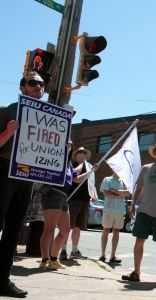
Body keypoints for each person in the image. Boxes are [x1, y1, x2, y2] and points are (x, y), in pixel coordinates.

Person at [0, 71, 46, 298]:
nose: (38, 87)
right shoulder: (8, 110)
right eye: (33, 83)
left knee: (13, 231)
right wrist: (8, 132)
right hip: (4, 171)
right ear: (22, 87)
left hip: (25, 177)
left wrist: (61, 148)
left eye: (41, 84)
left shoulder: (48, 118)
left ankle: (3, 279)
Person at [122, 141, 156, 286]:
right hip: (144, 211)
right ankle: (136, 273)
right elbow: (139, 188)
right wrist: (133, 204)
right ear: (154, 153)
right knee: (139, 240)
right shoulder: (145, 168)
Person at [39, 141, 94, 270]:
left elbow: (77, 179)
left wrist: (91, 171)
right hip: (52, 194)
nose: (69, 146)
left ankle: (53, 259)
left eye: (70, 145)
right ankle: (44, 260)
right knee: (49, 229)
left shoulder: (69, 164)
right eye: (66, 145)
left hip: (64, 198)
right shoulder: (55, 158)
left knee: (65, 230)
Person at [60, 147, 98, 260]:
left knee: (78, 227)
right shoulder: (72, 164)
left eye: (84, 153)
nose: (82, 154)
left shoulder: (89, 167)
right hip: (73, 199)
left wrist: (94, 193)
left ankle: (74, 250)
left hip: (85, 200)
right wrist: (84, 166)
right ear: (75, 155)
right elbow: (75, 178)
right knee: (67, 226)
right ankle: (63, 249)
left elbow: (92, 183)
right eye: (80, 153)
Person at [99, 170, 131, 263]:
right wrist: (120, 194)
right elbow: (106, 194)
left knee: (116, 231)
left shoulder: (123, 182)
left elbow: (128, 193)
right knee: (106, 230)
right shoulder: (107, 179)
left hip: (120, 210)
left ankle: (113, 255)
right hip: (109, 210)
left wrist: (115, 191)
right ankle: (103, 254)